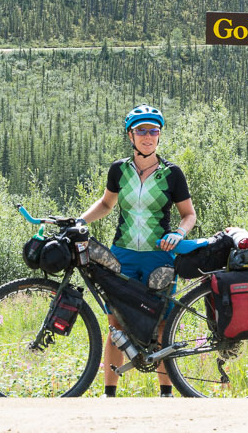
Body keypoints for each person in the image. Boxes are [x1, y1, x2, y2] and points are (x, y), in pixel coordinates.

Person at [79, 104, 196, 397]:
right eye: (141, 130)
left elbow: (188, 215)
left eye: (153, 131)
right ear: (131, 135)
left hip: (160, 256)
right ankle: (109, 394)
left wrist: (178, 233)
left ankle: (166, 395)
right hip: (124, 257)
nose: (148, 136)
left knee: (162, 326)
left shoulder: (172, 173)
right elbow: (107, 204)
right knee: (116, 325)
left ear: (159, 136)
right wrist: (80, 221)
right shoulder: (119, 170)